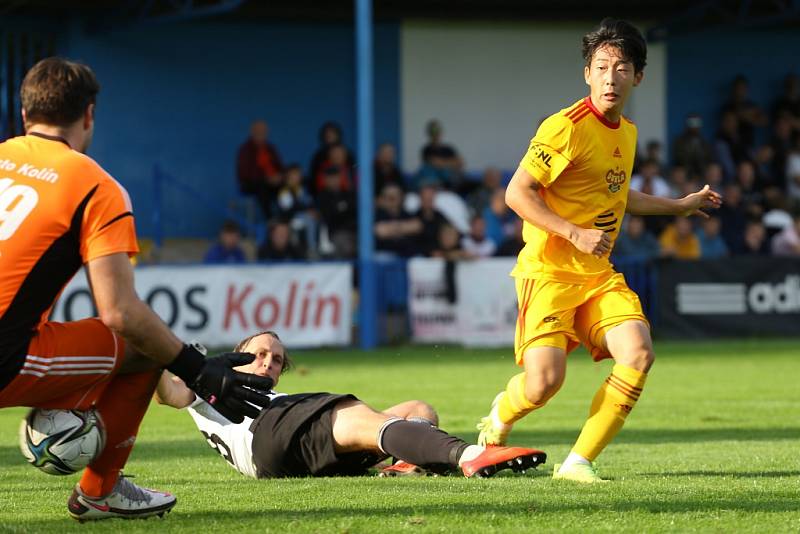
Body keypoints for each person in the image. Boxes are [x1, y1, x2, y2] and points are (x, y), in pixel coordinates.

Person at [0, 58, 272, 520]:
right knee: (142, 345)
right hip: (8, 356)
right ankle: (99, 492)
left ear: (24, 115)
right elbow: (120, 313)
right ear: (89, 115)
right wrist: (195, 367)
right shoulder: (94, 185)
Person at [474, 19, 721, 483]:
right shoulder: (565, 127)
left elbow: (619, 194)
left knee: (638, 352)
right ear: (587, 73)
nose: (611, 77)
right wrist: (574, 233)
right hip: (548, 271)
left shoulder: (626, 132)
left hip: (597, 273)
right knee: (544, 383)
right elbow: (517, 194)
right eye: (602, 67)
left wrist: (679, 207)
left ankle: (578, 463)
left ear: (637, 77)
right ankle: (500, 417)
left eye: (621, 68)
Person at [155, 331, 547, 479]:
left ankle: (401, 466)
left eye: (276, 360)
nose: (268, 362)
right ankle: (468, 454)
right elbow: (169, 395)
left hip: (280, 455)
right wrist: (157, 354)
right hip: (270, 435)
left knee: (417, 410)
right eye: (259, 353)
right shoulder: (211, 384)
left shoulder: (268, 395)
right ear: (238, 354)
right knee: (359, 418)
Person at [236, 120, 285, 219]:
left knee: (285, 187)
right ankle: (270, 220)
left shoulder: (270, 148)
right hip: (251, 184)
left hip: (272, 183)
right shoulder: (245, 149)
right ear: (252, 132)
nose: (261, 134)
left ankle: (286, 217)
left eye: (263, 131)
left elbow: (280, 166)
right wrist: (267, 178)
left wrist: (279, 176)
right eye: (258, 131)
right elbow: (245, 173)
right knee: (262, 187)